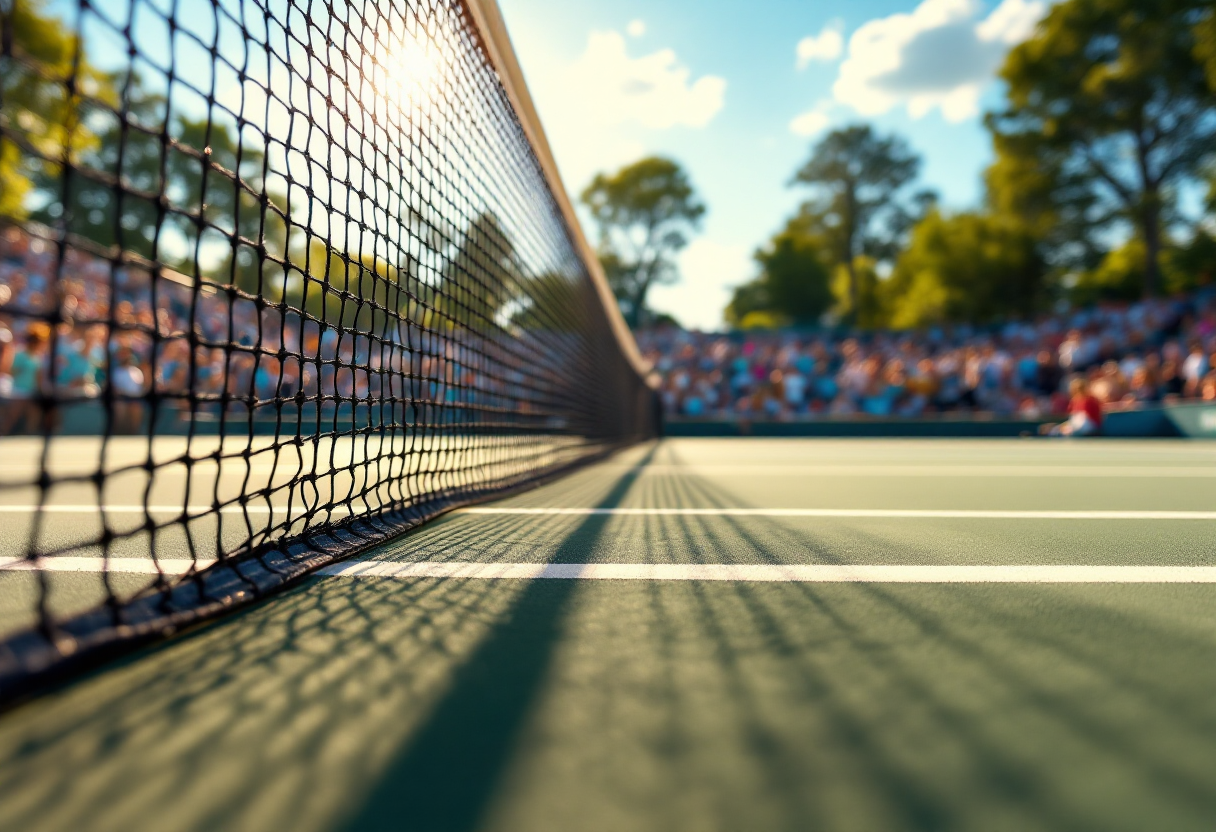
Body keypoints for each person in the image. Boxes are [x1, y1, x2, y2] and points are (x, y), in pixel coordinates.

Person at [1, 323, 52, 434]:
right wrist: (20, 369)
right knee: (12, 415)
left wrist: (40, 391)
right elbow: (10, 371)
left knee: (34, 414)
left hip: (31, 391)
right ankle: (3, 433)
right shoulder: (20, 354)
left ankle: (29, 438)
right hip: (18, 390)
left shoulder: (39, 357)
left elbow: (38, 377)